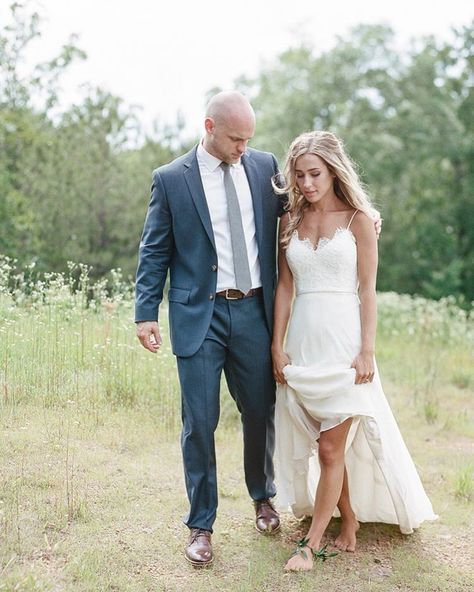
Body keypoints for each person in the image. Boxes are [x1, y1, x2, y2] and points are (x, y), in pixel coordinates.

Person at [271, 131, 437, 571]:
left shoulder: (360, 220)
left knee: (330, 448)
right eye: (300, 175)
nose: (306, 183)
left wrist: (367, 350)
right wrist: (276, 345)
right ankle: (350, 518)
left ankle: (308, 545)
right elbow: (286, 287)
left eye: (315, 174)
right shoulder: (288, 222)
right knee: (324, 442)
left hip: (345, 345)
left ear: (333, 171)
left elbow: (368, 290)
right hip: (303, 343)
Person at [135, 91, 283, 567]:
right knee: (199, 422)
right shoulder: (171, 179)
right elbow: (154, 249)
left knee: (261, 409)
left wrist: (359, 217)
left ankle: (263, 496)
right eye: (236, 139)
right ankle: (201, 526)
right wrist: (145, 312)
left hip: (255, 311)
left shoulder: (264, 166)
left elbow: (299, 216)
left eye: (248, 139)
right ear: (209, 127)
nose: (243, 148)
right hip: (199, 315)